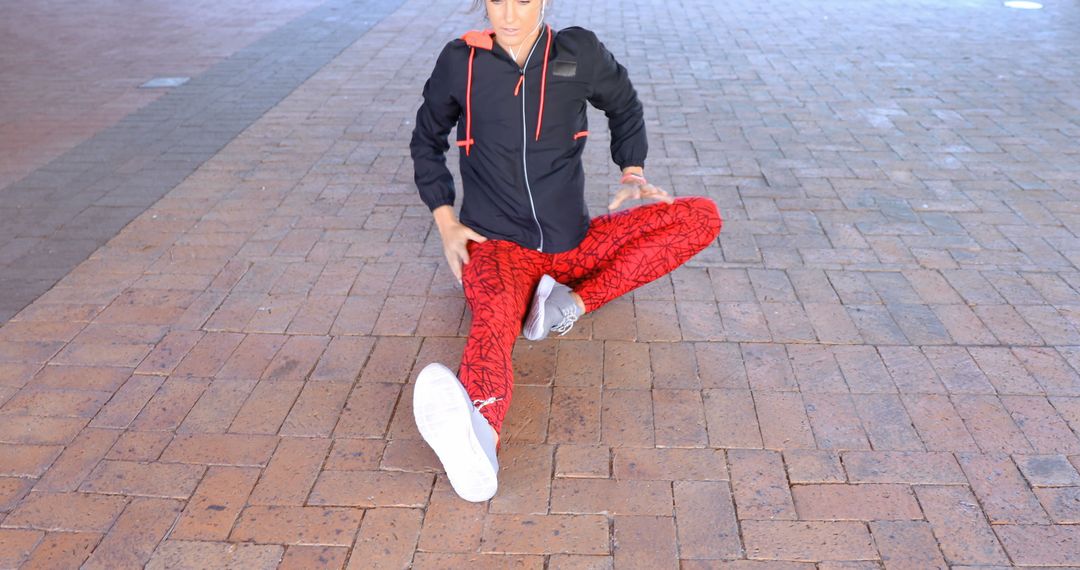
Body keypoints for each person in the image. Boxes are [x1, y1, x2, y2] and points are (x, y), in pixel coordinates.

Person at [409, 0, 722, 502]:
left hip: (572, 244)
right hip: (497, 248)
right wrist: (445, 219)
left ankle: (567, 305)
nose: (509, 15)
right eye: (497, 0)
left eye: (524, 0)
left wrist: (632, 169)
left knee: (700, 215)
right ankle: (479, 446)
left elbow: (624, 104)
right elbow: (426, 141)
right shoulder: (460, 62)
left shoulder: (578, 52)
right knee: (494, 321)